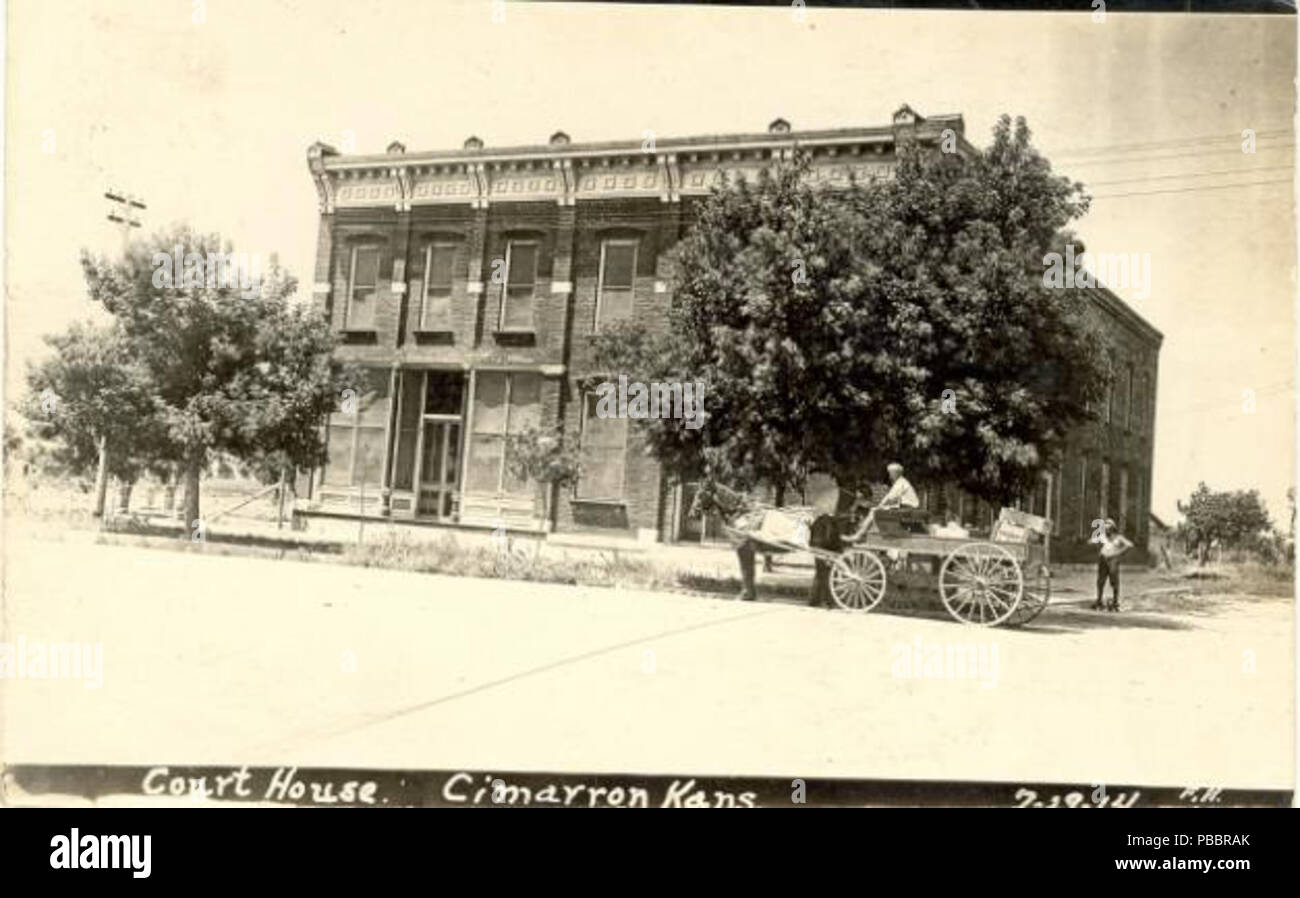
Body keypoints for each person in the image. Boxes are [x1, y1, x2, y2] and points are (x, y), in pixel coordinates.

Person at [847, 462, 920, 541]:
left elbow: (888, 498)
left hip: (907, 508)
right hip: (905, 507)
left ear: (896, 473)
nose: (889, 476)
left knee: (874, 511)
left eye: (890, 473)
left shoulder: (900, 483)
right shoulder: (901, 482)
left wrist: (878, 507)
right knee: (876, 510)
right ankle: (862, 533)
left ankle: (859, 535)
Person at [1091, 518, 1134, 611]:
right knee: (1100, 580)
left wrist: (1119, 552)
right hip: (1103, 559)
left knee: (1114, 579)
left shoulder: (1118, 537)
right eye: (1105, 527)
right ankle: (1099, 600)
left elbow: (1129, 545)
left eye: (1109, 526)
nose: (1107, 529)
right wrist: (1098, 547)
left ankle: (1115, 601)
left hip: (1112, 560)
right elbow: (1093, 541)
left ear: (1113, 528)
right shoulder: (1102, 537)